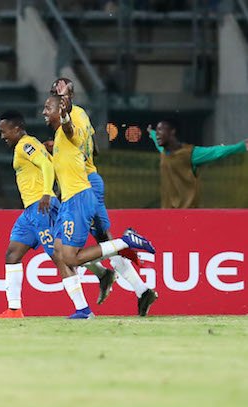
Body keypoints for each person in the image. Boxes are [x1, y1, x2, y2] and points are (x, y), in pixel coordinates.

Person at [51, 78, 158, 316]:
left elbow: (72, 132)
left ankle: (110, 267)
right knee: (99, 244)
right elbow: (93, 148)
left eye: (59, 96)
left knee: (68, 251)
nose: (53, 103)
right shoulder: (84, 117)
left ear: (67, 99)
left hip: (82, 185)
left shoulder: (73, 116)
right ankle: (141, 290)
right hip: (89, 180)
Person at [0, 111, 59, 319]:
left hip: (41, 206)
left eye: (5, 131)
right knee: (12, 254)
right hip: (30, 212)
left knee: (62, 257)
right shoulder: (31, 143)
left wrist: (47, 194)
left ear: (17, 129)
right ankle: (14, 310)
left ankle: (104, 270)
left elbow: (47, 165)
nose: (3, 136)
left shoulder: (25, 145)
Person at [149, 120, 248, 209]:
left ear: (172, 132)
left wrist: (241, 146)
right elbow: (156, 139)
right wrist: (151, 132)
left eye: (161, 130)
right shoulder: (163, 150)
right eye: (157, 131)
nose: (157, 133)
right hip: (168, 215)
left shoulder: (190, 153)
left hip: (188, 213)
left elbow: (215, 151)